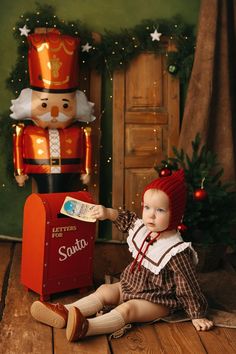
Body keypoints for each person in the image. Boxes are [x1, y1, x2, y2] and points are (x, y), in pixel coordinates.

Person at [30, 169, 214, 341]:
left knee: (128, 309)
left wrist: (197, 314)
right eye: (147, 207)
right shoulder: (146, 228)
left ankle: (87, 327)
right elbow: (127, 220)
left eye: (160, 210)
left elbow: (187, 286)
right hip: (132, 285)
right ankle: (65, 311)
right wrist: (107, 212)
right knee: (105, 290)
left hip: (157, 299)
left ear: (175, 214)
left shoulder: (175, 251)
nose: (150, 216)